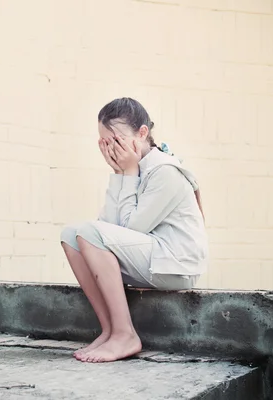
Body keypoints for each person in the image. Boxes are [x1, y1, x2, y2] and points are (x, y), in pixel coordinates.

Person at [60, 97, 208, 363]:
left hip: (174, 263)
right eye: (105, 143)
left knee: (89, 232)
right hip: (151, 257)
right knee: (72, 235)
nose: (111, 149)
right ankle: (110, 330)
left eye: (116, 141)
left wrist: (127, 173)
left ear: (142, 133)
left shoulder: (166, 172)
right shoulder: (133, 169)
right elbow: (105, 227)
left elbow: (130, 229)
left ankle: (125, 334)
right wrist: (120, 174)